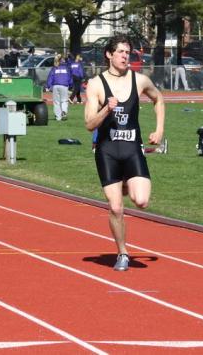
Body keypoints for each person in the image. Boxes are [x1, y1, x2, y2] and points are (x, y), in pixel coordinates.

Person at [84, 34, 165, 271]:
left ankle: (127, 183)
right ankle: (122, 252)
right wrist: (105, 110)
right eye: (120, 52)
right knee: (116, 207)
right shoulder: (96, 84)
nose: (124, 56)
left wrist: (159, 130)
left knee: (141, 201)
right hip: (107, 151)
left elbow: (158, 99)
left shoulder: (139, 81)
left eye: (127, 52)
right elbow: (89, 124)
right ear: (109, 55)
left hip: (132, 148)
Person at [46, 54, 72, 121]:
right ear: (62, 60)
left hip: (55, 86)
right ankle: (64, 112)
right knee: (64, 100)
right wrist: (71, 86)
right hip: (64, 85)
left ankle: (58, 117)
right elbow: (69, 77)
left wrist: (49, 86)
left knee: (56, 102)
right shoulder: (66, 67)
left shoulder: (54, 68)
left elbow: (50, 77)